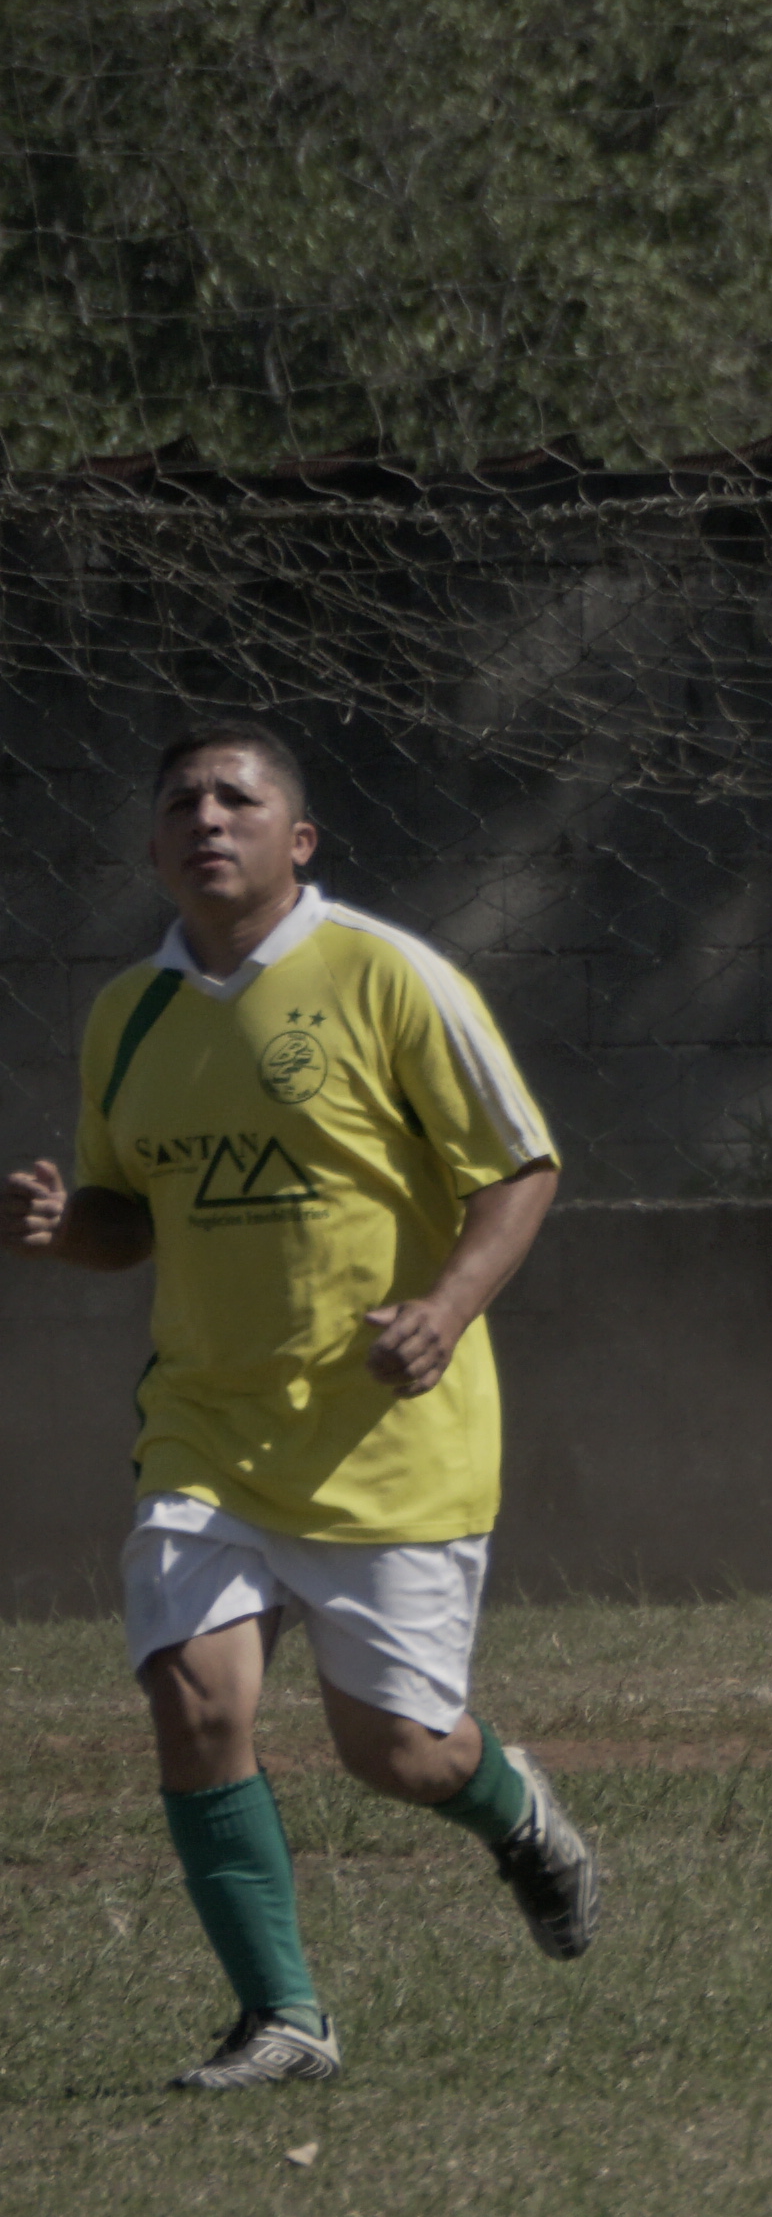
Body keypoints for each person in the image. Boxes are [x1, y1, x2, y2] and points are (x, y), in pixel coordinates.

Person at [4, 723, 591, 2091]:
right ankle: (285, 2019)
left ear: (298, 840)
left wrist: (443, 1310)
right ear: (153, 849)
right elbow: (124, 1222)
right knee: (192, 1693)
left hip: (386, 1435)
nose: (209, 818)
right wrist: (50, 1231)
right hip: (204, 1425)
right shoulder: (127, 1017)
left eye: (239, 797)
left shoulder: (391, 976)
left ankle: (520, 1817)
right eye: (182, 804)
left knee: (397, 1753)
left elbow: (521, 1167)